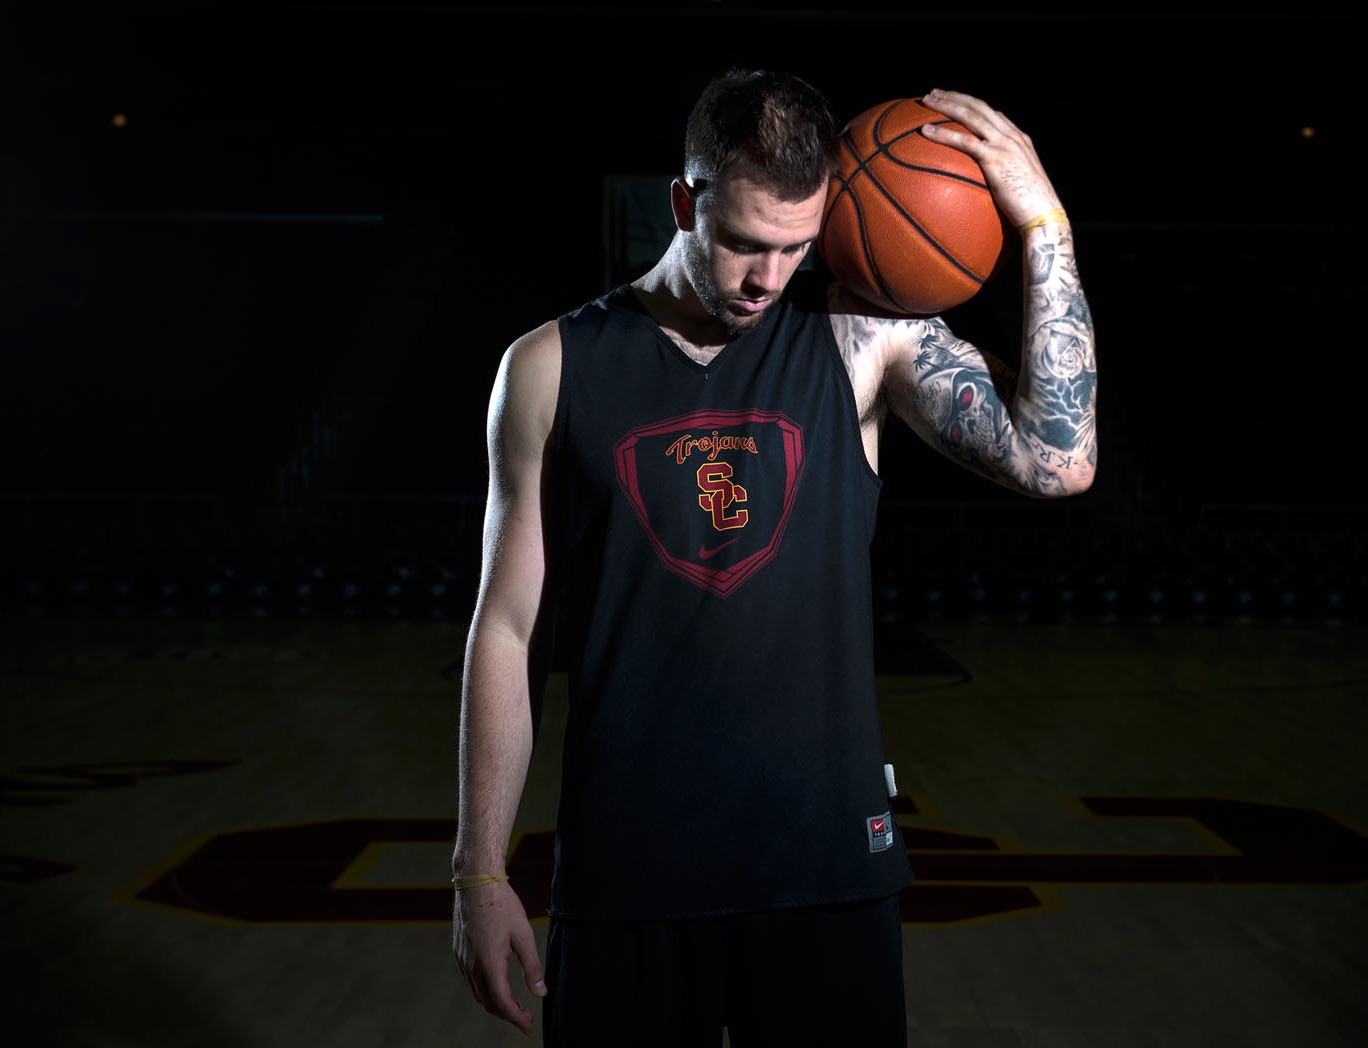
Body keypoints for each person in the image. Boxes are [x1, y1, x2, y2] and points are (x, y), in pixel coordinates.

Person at [451, 68, 1096, 1046]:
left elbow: (1059, 461)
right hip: (627, 877)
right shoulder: (550, 368)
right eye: (747, 243)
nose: (768, 277)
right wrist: (480, 869)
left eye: (796, 247)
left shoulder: (859, 338)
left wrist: (1047, 229)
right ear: (684, 202)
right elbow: (507, 628)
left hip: (827, 875)